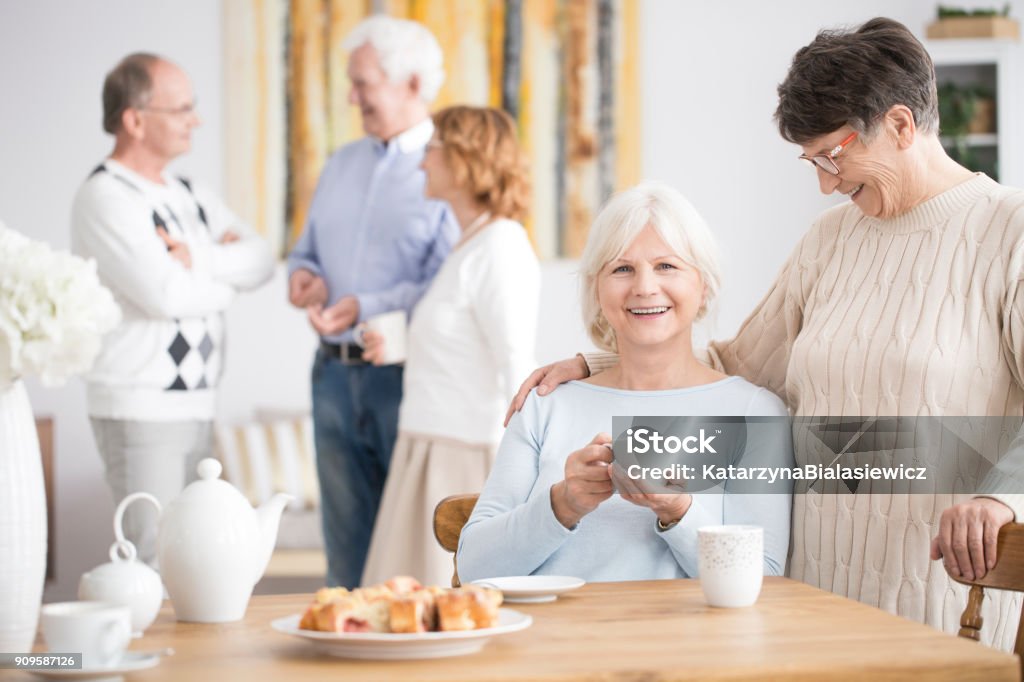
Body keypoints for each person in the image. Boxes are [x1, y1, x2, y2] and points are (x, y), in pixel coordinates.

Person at [507, 18, 1024, 648]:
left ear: (898, 125)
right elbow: (734, 365)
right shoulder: (827, 240)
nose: (826, 183)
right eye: (812, 162)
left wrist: (1004, 499)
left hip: (941, 594)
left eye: (833, 156)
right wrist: (599, 362)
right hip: (812, 595)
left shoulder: (1008, 235)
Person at [457, 182, 792, 583]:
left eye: (667, 266)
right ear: (597, 290)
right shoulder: (545, 404)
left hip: (690, 646)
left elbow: (764, 579)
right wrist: (564, 503)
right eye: (622, 269)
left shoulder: (754, 413)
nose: (645, 287)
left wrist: (678, 510)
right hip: (553, 643)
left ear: (702, 286)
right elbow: (474, 567)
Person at [71, 53, 274, 565]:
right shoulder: (107, 197)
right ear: (135, 120)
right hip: (142, 406)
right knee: (152, 558)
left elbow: (263, 258)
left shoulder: (190, 194)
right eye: (181, 108)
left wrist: (198, 259)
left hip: (197, 403)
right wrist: (224, 279)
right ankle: (141, 650)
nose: (196, 120)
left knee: (192, 560)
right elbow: (167, 295)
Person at [286, 16, 459, 588]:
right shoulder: (342, 163)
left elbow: (446, 284)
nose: (351, 95)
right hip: (331, 377)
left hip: (403, 380)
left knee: (410, 553)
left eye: (363, 82)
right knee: (345, 556)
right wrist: (305, 276)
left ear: (412, 83)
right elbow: (304, 252)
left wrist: (367, 304)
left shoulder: (448, 171)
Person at [360, 106, 540, 587]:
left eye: (432, 147)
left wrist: (518, 481)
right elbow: (464, 343)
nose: (422, 160)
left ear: (465, 158)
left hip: (462, 458)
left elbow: (516, 363)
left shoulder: (501, 246)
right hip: (430, 445)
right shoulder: (470, 245)